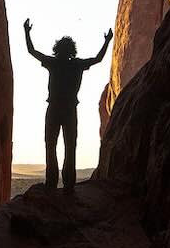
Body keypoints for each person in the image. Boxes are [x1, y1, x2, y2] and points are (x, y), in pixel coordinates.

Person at [23, 18, 113, 193]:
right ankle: (69, 185)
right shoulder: (77, 64)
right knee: (70, 146)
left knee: (51, 145)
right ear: (72, 49)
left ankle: (51, 183)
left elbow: (31, 51)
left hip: (54, 109)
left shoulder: (54, 63)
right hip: (70, 110)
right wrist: (107, 41)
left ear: (58, 49)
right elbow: (98, 59)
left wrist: (27, 32)